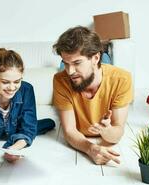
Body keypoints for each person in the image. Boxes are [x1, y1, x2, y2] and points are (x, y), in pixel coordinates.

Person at [52, 26, 133, 165]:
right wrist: (91, 148)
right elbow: (69, 130)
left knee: (105, 68)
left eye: (77, 62)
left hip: (104, 73)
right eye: (65, 63)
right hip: (78, 82)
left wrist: (107, 131)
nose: (70, 71)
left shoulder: (123, 79)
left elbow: (118, 131)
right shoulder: (60, 80)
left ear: (95, 57)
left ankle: (105, 57)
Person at [0, 48, 55, 163]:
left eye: (17, 81)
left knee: (47, 124)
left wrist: (12, 149)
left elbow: (27, 131)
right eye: (5, 82)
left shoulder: (27, 90)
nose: (12, 88)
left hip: (15, 128)